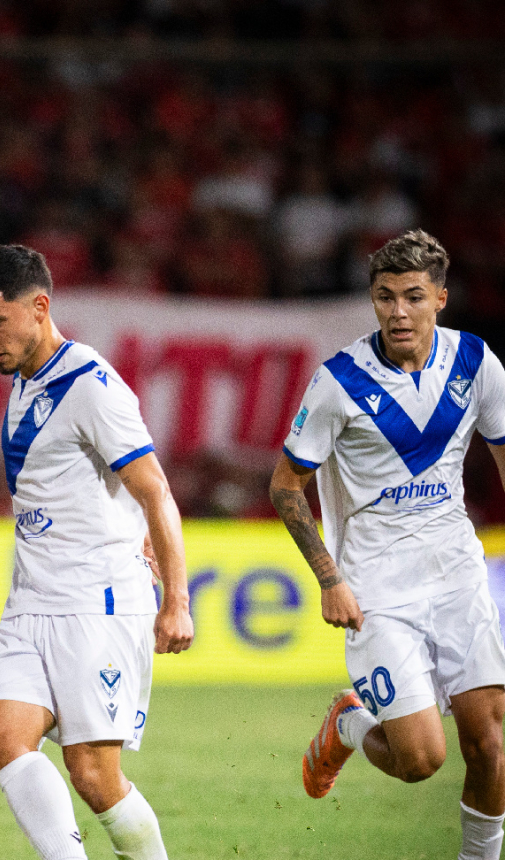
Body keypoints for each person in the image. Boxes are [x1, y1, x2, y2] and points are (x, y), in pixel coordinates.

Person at [270, 230, 505, 859]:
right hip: (377, 589)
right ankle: (350, 723)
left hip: (457, 575)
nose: (398, 312)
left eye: (413, 297)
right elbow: (285, 485)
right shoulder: (339, 381)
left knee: (489, 741)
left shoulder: (477, 363)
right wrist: (330, 579)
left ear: (440, 299)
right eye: (385, 297)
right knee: (421, 760)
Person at [0, 244, 194, 860]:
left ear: (39, 307)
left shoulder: (92, 386)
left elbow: (155, 490)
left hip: (97, 605)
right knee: (0, 739)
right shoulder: (25, 381)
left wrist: (177, 601)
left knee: (94, 776)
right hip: (30, 604)